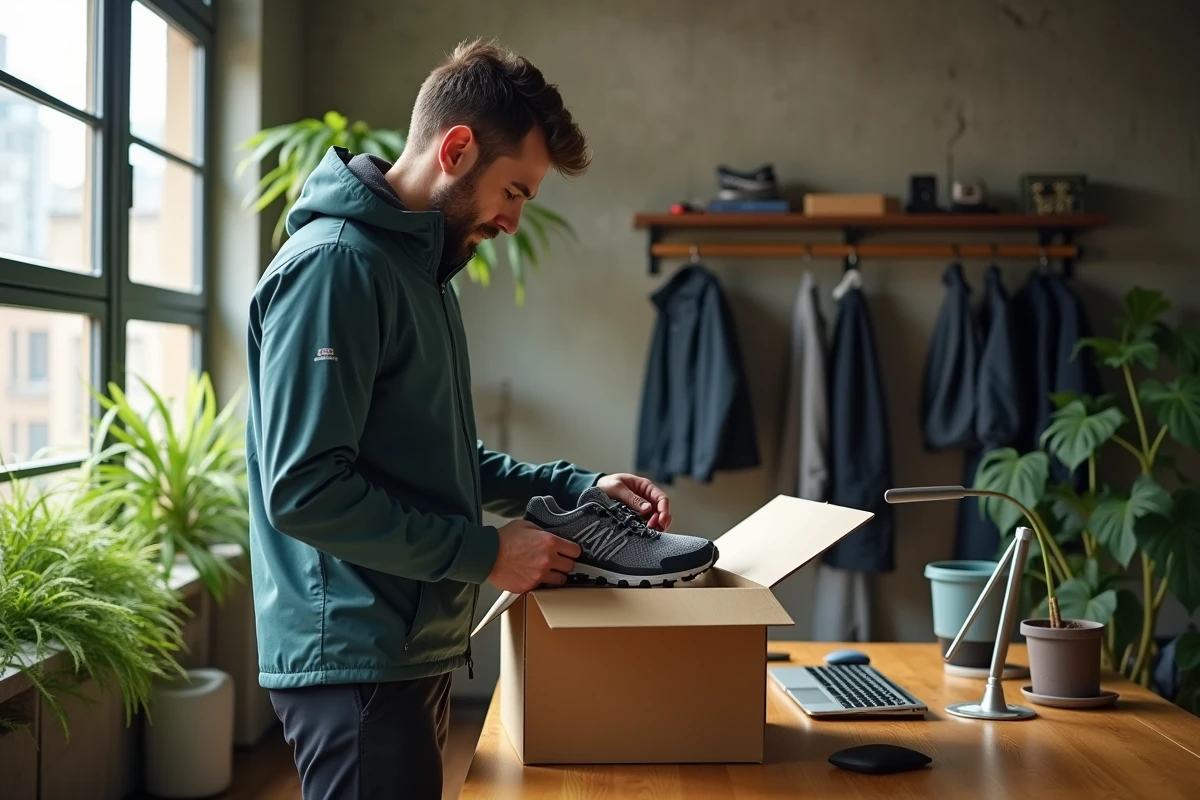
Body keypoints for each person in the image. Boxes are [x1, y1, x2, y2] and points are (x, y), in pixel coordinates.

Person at [244, 38, 673, 799]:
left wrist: (578, 487)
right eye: (514, 192)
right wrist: (484, 553)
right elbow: (304, 488)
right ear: (457, 148)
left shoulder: (420, 271)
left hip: (405, 647)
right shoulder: (337, 266)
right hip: (355, 655)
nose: (512, 221)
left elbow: (439, 456)